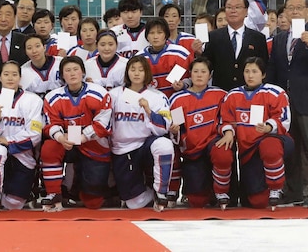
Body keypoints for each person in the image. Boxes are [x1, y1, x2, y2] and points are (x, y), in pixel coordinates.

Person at [267, 0, 308, 208]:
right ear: (284, 12)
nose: (294, 11)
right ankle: (294, 192)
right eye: (290, 8)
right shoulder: (278, 39)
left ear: (306, 11)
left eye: (299, 8)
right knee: (290, 150)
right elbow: (274, 73)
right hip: (286, 104)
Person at [211, 57, 293, 209]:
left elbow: (284, 118)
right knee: (256, 202)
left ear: (263, 74)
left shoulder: (275, 92)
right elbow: (224, 120)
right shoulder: (233, 95)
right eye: (247, 71)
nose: (250, 75)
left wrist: (269, 127)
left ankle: (276, 188)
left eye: (254, 71)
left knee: (269, 146)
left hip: (274, 140)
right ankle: (223, 194)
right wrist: (228, 132)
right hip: (248, 149)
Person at [41, 56, 112, 210]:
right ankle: (54, 193)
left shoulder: (99, 93)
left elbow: (102, 123)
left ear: (83, 72)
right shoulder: (52, 97)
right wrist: (60, 137)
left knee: (93, 202)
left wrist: (82, 137)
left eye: (75, 69)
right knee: (49, 147)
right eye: (67, 70)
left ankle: (80, 188)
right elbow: (50, 124)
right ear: (62, 75)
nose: (72, 74)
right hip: (66, 141)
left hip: (93, 143)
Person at [110, 55, 175, 210]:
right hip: (123, 148)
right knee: (134, 203)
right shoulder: (114, 95)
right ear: (127, 72)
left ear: (147, 73)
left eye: (140, 70)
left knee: (164, 145)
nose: (137, 73)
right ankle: (148, 191)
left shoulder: (157, 96)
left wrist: (148, 110)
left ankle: (161, 193)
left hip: (146, 144)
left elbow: (164, 127)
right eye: (133, 69)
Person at [0, 60, 44, 209]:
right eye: (6, 74)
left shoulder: (33, 100)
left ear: (20, 77)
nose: (10, 78)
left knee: (14, 205)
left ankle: (10, 194)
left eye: (14, 74)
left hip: (22, 152)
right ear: (0, 77)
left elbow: (35, 134)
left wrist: (8, 141)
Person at [169, 57, 230, 208]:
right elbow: (177, 128)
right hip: (192, 151)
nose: (199, 75)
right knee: (197, 201)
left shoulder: (220, 95)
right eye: (195, 71)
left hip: (212, 143)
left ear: (210, 75)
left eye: (203, 72)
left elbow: (226, 119)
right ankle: (204, 190)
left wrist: (229, 132)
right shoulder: (177, 98)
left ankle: (221, 192)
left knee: (223, 151)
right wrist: (175, 130)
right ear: (190, 74)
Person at [196, 0, 269, 90]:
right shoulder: (213, 36)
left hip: (250, 93)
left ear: (246, 11)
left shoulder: (258, 38)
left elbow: (265, 67)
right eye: (229, 7)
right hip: (221, 92)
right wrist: (198, 53)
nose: (233, 10)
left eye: (237, 7)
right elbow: (207, 65)